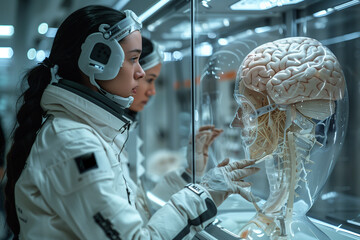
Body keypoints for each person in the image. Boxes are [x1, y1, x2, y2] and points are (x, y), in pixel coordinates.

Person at [4, 5, 259, 239]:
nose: (140, 73)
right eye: (133, 59)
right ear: (98, 60)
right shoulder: (75, 144)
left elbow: (132, 215)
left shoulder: (90, 133)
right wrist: (202, 196)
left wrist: (187, 178)